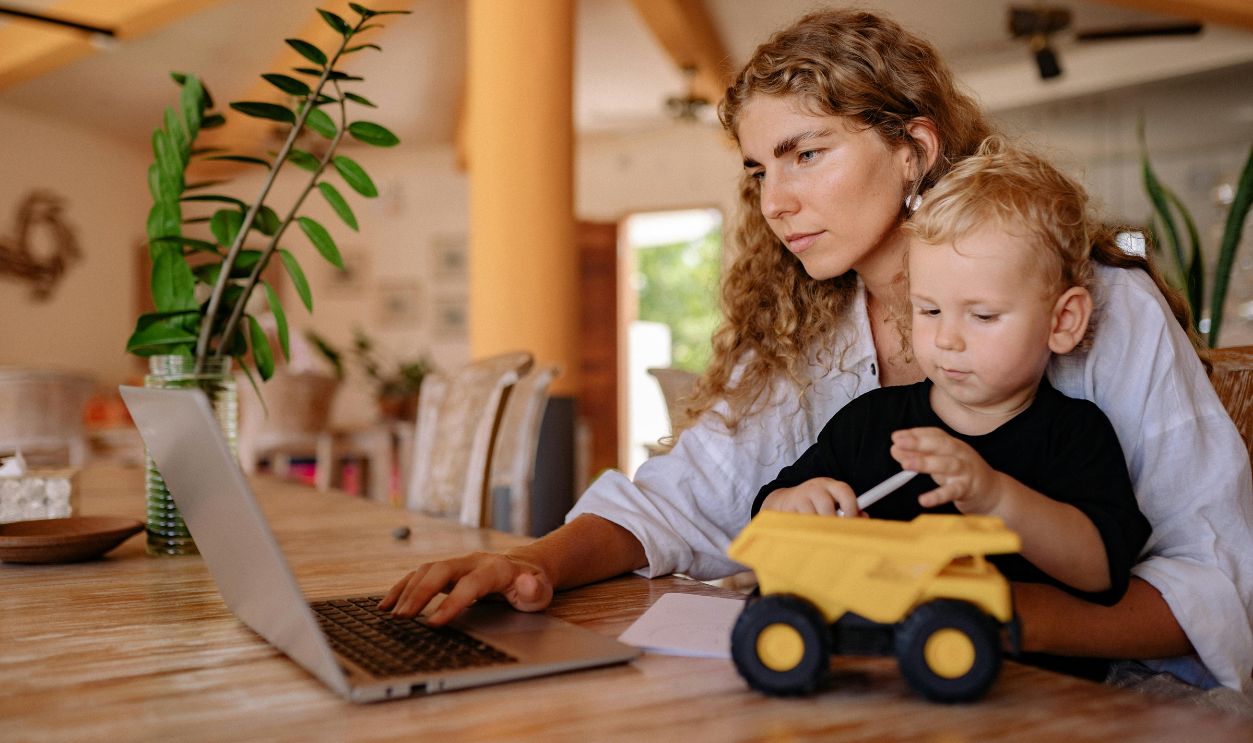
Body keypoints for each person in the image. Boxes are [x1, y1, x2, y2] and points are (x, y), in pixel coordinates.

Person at [381, 9, 1253, 694]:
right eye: (762, 168)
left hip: (1102, 701)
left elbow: (1216, 580)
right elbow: (680, 501)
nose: (776, 200)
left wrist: (991, 617)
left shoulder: (1104, 310)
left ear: (914, 148)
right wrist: (532, 561)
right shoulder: (807, 323)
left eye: (805, 152)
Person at [753, 140, 1151, 622]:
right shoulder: (870, 423)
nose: (947, 339)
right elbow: (768, 511)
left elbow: (1102, 571)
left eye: (982, 315)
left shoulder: (1074, 435)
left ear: (1063, 321)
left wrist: (994, 495)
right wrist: (794, 504)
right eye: (930, 310)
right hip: (873, 674)